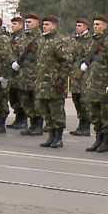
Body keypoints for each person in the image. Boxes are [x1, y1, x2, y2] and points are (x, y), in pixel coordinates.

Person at [81, 15, 108, 153]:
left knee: (106, 114)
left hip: (104, 85)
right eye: (94, 24)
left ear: (105, 26)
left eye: (98, 24)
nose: (95, 26)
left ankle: (106, 141)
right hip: (92, 85)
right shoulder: (92, 42)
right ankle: (98, 139)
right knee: (94, 114)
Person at [35, 15, 73, 148]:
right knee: (45, 110)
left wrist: (61, 80)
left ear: (54, 26)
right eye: (43, 24)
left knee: (56, 111)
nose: (44, 26)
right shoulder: (42, 41)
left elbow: (67, 62)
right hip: (43, 83)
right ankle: (51, 136)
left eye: (47, 24)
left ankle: (58, 137)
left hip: (54, 83)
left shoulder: (58, 41)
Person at [15, 13, 43, 136]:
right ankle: (31, 123)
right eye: (27, 22)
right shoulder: (22, 37)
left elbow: (42, 57)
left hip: (34, 74)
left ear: (37, 23)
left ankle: (38, 125)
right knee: (25, 101)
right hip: (23, 74)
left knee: (36, 100)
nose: (28, 24)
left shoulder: (40, 38)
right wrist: (14, 63)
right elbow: (15, 51)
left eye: (30, 22)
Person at [69, 18, 93, 137]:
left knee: (84, 100)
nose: (77, 27)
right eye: (76, 25)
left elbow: (89, 55)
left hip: (84, 75)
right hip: (74, 74)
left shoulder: (89, 40)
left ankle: (86, 125)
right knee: (76, 99)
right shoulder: (74, 40)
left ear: (85, 27)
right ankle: (81, 123)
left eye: (80, 25)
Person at [6, 16, 28, 129]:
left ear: (20, 25)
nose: (13, 26)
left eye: (15, 24)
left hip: (20, 71)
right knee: (13, 96)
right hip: (12, 71)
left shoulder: (23, 37)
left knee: (20, 96)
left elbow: (21, 53)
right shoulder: (12, 37)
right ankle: (18, 117)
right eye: (12, 24)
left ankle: (23, 119)